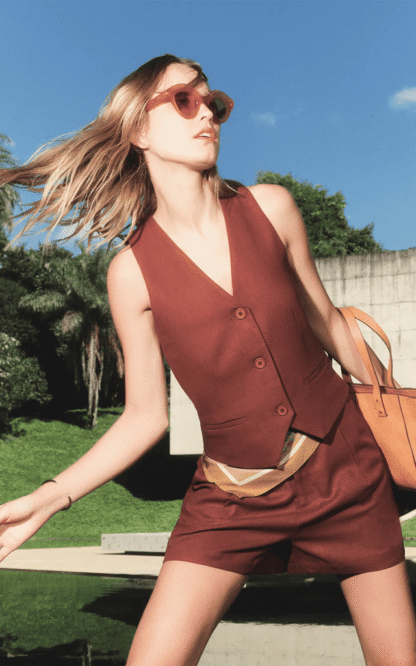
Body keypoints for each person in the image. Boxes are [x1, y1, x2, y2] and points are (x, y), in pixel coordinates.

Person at [0, 53, 415, 666]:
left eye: (213, 102)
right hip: (229, 498)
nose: (208, 114)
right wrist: (48, 498)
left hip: (346, 473)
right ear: (138, 130)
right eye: (184, 100)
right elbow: (146, 416)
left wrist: (404, 419)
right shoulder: (130, 273)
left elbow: (328, 324)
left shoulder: (272, 207)